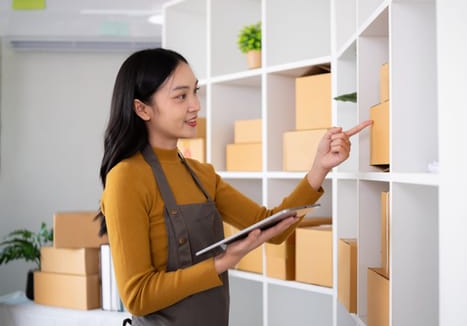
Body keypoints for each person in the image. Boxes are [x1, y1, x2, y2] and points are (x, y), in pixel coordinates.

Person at [96, 48, 371, 326]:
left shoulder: (202, 174)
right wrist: (222, 262)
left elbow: (268, 227)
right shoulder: (126, 178)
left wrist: (319, 168)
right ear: (142, 108)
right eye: (181, 96)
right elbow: (137, 296)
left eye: (195, 91)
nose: (195, 105)